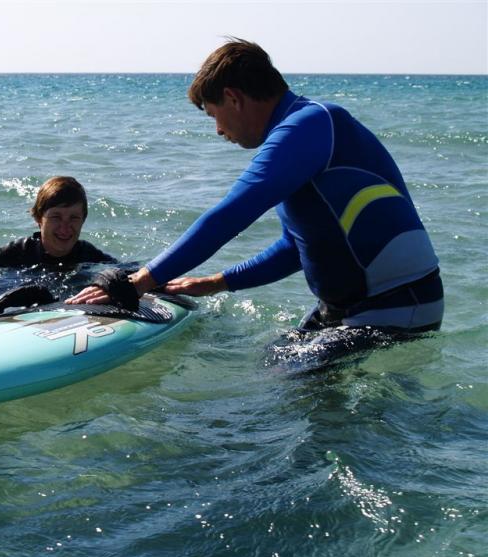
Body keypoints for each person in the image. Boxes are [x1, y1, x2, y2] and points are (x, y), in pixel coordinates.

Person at [68, 38, 444, 338]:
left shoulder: (310, 124)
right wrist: (214, 283)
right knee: (279, 368)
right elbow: (296, 248)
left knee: (292, 389)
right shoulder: (304, 133)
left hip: (398, 304)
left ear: (234, 98)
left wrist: (135, 284)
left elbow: (230, 215)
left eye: (214, 115)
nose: (218, 130)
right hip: (357, 308)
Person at [0, 176, 116, 269]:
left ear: (83, 220)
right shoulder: (9, 256)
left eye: (73, 218)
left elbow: (129, 274)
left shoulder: (89, 256)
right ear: (39, 218)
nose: (65, 228)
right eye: (56, 217)